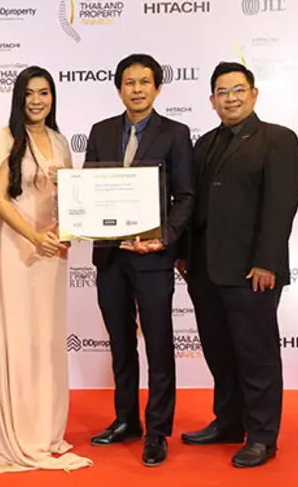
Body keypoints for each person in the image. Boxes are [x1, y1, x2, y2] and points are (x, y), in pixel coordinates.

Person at [176, 62, 298, 468]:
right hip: (204, 269)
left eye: (238, 90)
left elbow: (281, 206)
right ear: (212, 101)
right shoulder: (204, 143)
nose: (230, 98)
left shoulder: (277, 139)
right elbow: (191, 202)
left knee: (256, 355)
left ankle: (262, 435)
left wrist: (266, 262)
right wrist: (182, 253)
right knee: (219, 352)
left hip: (252, 272)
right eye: (222, 92)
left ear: (254, 94)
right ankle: (229, 422)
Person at [0, 66, 92, 473]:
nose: (37, 100)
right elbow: (0, 201)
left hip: (53, 252)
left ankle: (45, 428)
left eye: (44, 92)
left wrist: (64, 230)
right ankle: (18, 431)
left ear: (53, 97)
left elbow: (71, 198)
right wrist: (34, 236)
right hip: (16, 250)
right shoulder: (3, 138)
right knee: (19, 336)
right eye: (29, 93)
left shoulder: (60, 141)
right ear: (18, 97)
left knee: (46, 337)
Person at [84, 53, 195, 466]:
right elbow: (89, 189)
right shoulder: (100, 131)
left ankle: (158, 430)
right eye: (129, 83)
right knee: (120, 343)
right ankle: (126, 419)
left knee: (159, 344)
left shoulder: (176, 134)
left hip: (152, 257)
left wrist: (162, 238)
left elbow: (186, 197)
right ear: (119, 89)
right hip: (110, 256)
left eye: (144, 82)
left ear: (157, 88)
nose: (137, 89)